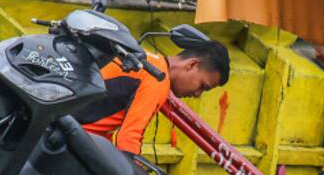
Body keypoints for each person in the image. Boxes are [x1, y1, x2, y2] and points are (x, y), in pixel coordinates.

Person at [76, 41, 230, 155]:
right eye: (203, 86)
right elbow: (129, 137)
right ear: (191, 65)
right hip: (76, 137)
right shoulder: (158, 79)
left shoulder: (146, 58)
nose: (198, 94)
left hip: (72, 128)